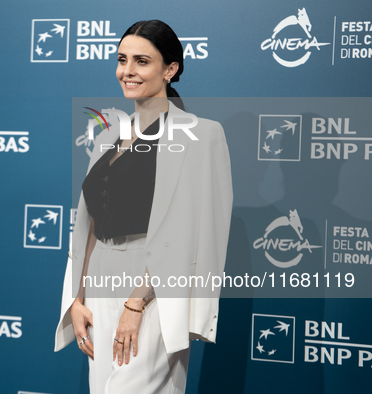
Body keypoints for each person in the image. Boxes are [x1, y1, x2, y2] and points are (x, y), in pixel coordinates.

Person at [55, 20, 233, 394]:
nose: (128, 71)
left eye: (142, 61)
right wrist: (78, 296)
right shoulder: (107, 136)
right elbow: (90, 222)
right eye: (122, 60)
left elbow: (191, 232)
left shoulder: (201, 135)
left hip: (155, 283)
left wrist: (136, 303)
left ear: (171, 69)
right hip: (101, 275)